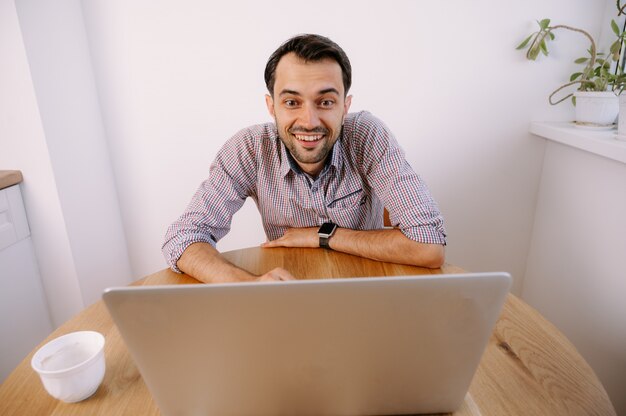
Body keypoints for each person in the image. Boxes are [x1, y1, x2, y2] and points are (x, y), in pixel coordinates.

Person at [162, 34, 446, 283]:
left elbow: (428, 245)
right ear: (271, 106)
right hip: (287, 295)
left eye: (325, 102)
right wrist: (249, 284)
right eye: (291, 102)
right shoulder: (249, 148)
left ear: (345, 106)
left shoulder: (367, 136)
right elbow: (183, 238)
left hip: (369, 289)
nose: (309, 122)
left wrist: (322, 235)